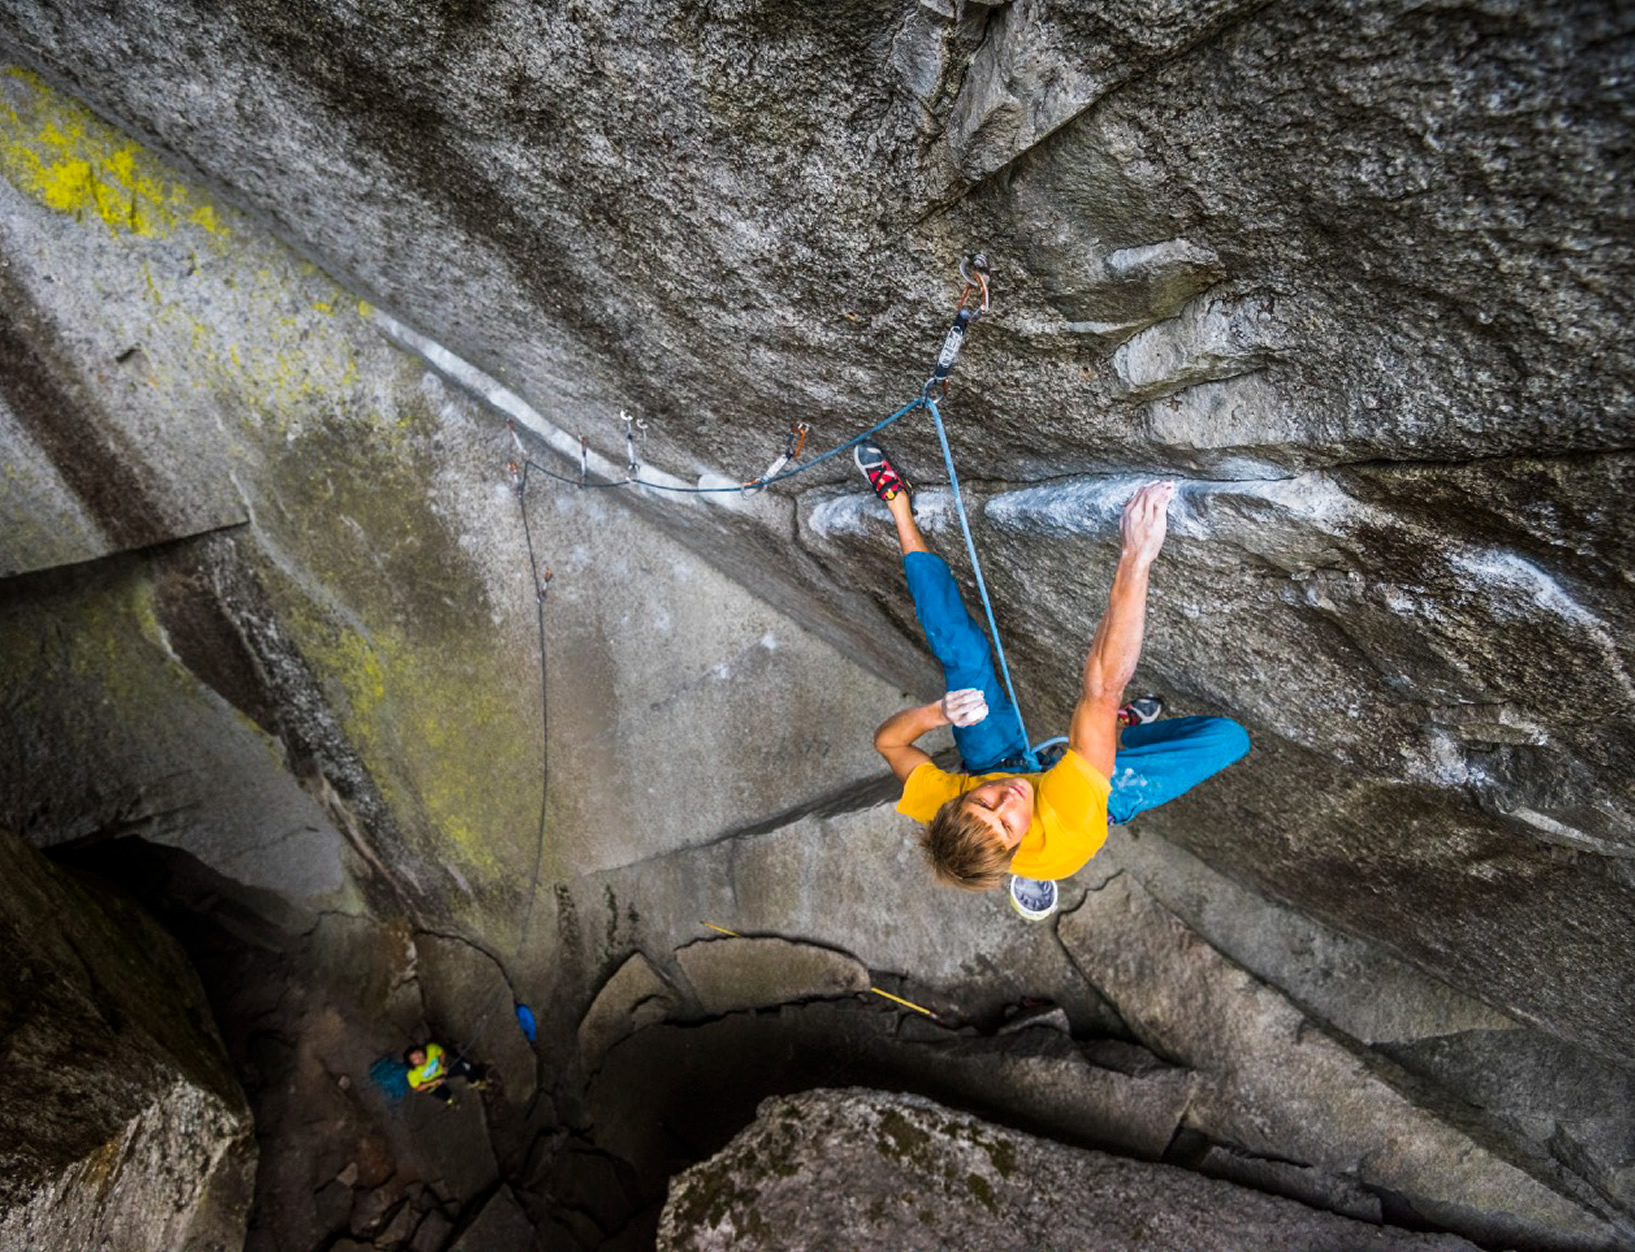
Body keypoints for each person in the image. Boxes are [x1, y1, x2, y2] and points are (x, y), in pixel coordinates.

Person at [858, 439, 1250, 919]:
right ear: (1014, 846)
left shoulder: (945, 803)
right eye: (1005, 824)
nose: (1008, 799)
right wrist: (1136, 557)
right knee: (1228, 739)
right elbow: (1102, 690)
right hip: (1083, 803)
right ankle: (1111, 745)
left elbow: (890, 745)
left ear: (956, 804)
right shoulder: (1068, 822)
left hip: (994, 759)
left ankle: (899, 510)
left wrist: (937, 713)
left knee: (961, 656)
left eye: (983, 804)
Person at [404, 1041, 486, 1107]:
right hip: (431, 1083)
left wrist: (443, 1065)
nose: (419, 1058)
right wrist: (433, 1082)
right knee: (442, 1094)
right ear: (412, 1064)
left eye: (418, 1053)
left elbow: (441, 1053)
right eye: (414, 1059)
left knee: (467, 1067)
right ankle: (451, 1100)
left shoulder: (431, 1049)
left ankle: (474, 1082)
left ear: (421, 1050)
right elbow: (418, 1087)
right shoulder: (412, 1074)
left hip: (442, 1072)